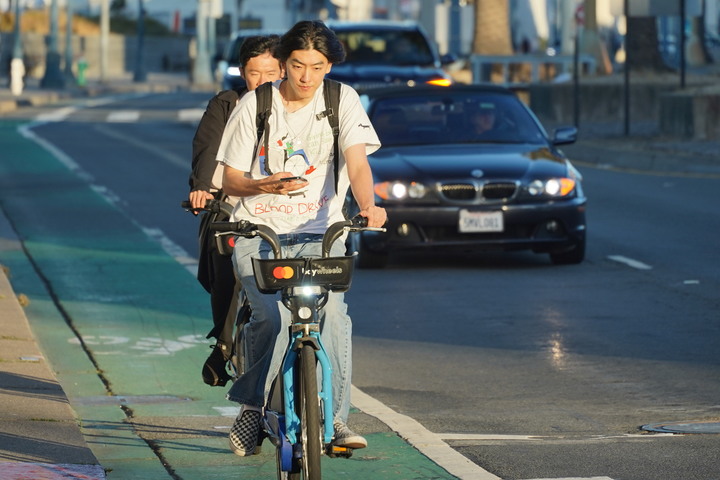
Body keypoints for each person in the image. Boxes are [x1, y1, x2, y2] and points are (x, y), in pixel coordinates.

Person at [216, 20, 387, 456]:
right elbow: (231, 180)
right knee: (271, 319)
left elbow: (358, 162)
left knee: (332, 317)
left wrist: (367, 207)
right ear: (284, 63)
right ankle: (253, 407)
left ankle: (337, 418)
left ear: (329, 65)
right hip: (260, 232)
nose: (306, 76)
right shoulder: (256, 105)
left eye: (316, 66)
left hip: (322, 233)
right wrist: (263, 186)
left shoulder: (340, 99)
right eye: (297, 65)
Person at [188, 35, 283, 388]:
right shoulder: (227, 105)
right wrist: (202, 187)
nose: (263, 80)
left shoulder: (298, 108)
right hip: (234, 205)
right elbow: (208, 150)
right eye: (254, 73)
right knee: (223, 249)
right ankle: (225, 343)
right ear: (243, 73)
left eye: (271, 71)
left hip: (288, 211)